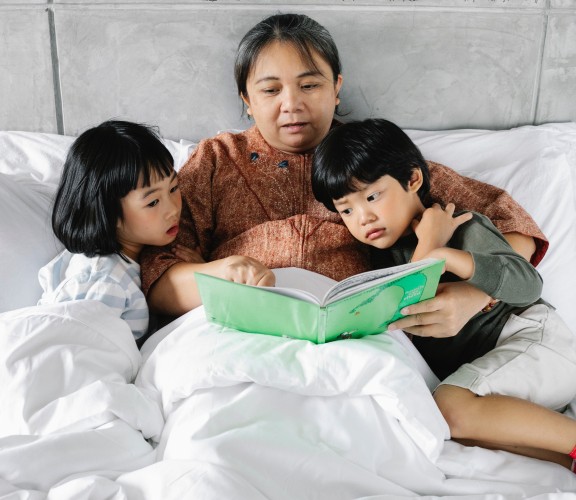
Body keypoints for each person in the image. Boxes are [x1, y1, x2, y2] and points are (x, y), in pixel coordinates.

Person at [140, 12, 547, 339]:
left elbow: (512, 224)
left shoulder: (370, 155)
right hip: (236, 332)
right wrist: (225, 274)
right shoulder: (215, 160)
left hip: (359, 339)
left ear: (336, 87)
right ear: (246, 100)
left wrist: (471, 296)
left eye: (309, 85)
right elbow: (159, 276)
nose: (291, 105)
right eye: (270, 91)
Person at [310, 117, 576, 469]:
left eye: (372, 196)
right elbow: (403, 312)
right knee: (449, 427)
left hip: (536, 342)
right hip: (502, 382)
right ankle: (566, 458)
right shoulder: (381, 261)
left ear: (413, 179)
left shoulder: (464, 227)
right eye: (347, 209)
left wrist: (450, 255)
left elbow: (528, 284)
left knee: (448, 407)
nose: (363, 217)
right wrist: (429, 245)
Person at [38, 120, 201, 341]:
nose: (173, 209)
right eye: (153, 202)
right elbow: (77, 356)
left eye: (174, 188)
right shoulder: (103, 281)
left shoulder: (135, 258)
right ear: (108, 211)